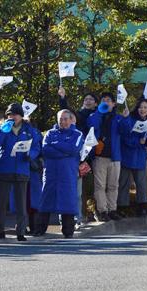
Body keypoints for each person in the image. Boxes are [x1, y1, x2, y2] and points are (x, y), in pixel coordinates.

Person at [0, 103, 37, 241]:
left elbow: (36, 146)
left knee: (21, 204)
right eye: (10, 114)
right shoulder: (3, 127)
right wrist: (3, 129)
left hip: (22, 169)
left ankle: (21, 232)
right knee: (1, 203)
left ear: (21, 116)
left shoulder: (29, 130)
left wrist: (30, 155)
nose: (12, 117)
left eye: (15, 114)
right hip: (5, 169)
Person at [35, 109, 84, 238]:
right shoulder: (50, 133)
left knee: (67, 202)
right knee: (46, 201)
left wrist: (56, 145)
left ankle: (68, 231)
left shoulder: (77, 134)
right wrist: (64, 151)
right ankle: (40, 229)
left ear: (71, 119)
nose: (63, 122)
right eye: (60, 119)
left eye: (65, 119)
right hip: (51, 173)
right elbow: (46, 150)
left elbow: (74, 149)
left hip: (68, 174)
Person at [59, 87, 98, 227]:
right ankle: (77, 217)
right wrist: (63, 98)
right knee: (77, 190)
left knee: (93, 188)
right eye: (86, 99)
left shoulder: (99, 114)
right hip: (79, 158)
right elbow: (66, 112)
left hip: (94, 156)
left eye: (91, 99)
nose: (88, 101)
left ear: (96, 103)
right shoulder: (79, 116)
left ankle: (93, 212)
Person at [87, 92, 128, 222]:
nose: (105, 102)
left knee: (113, 185)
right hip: (100, 157)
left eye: (108, 100)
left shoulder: (119, 118)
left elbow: (125, 131)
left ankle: (112, 209)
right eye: (103, 100)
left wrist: (126, 118)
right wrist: (100, 112)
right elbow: (92, 125)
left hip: (115, 158)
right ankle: (102, 210)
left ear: (114, 103)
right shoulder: (94, 115)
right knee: (100, 186)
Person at [117, 99, 147, 216]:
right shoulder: (130, 119)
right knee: (124, 183)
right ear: (137, 108)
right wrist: (139, 141)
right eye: (140, 107)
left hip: (140, 157)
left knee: (141, 183)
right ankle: (122, 207)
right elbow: (125, 136)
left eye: (145, 107)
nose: (143, 110)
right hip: (126, 155)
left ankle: (142, 207)